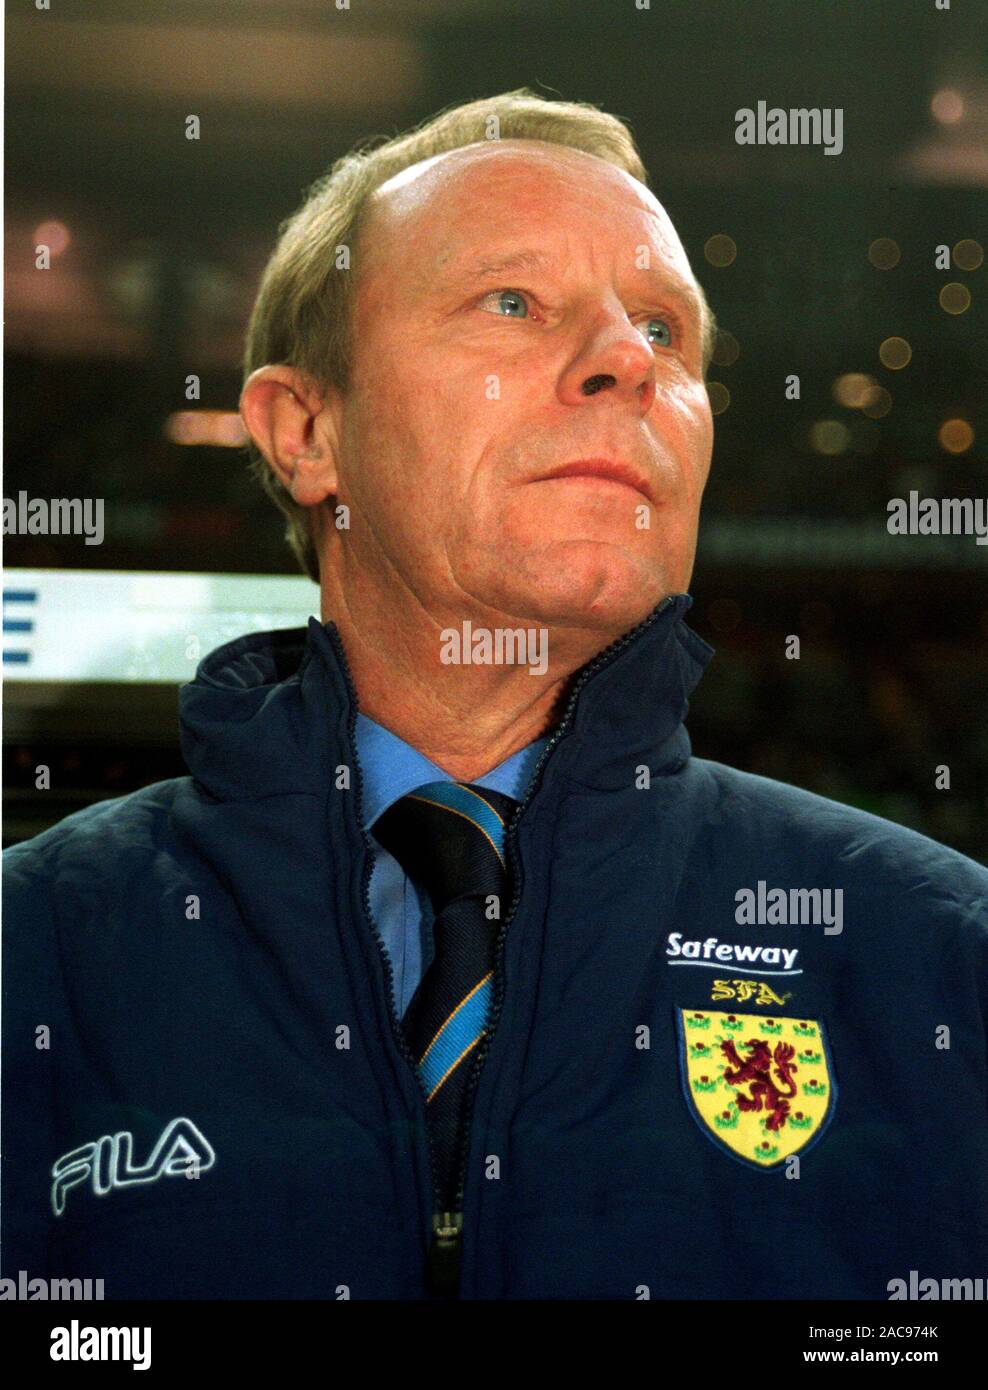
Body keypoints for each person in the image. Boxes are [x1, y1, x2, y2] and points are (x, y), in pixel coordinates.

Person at [3, 90, 986, 1302]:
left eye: (667, 332)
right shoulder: (31, 952)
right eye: (512, 302)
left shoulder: (939, 951)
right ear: (304, 429)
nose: (630, 359)